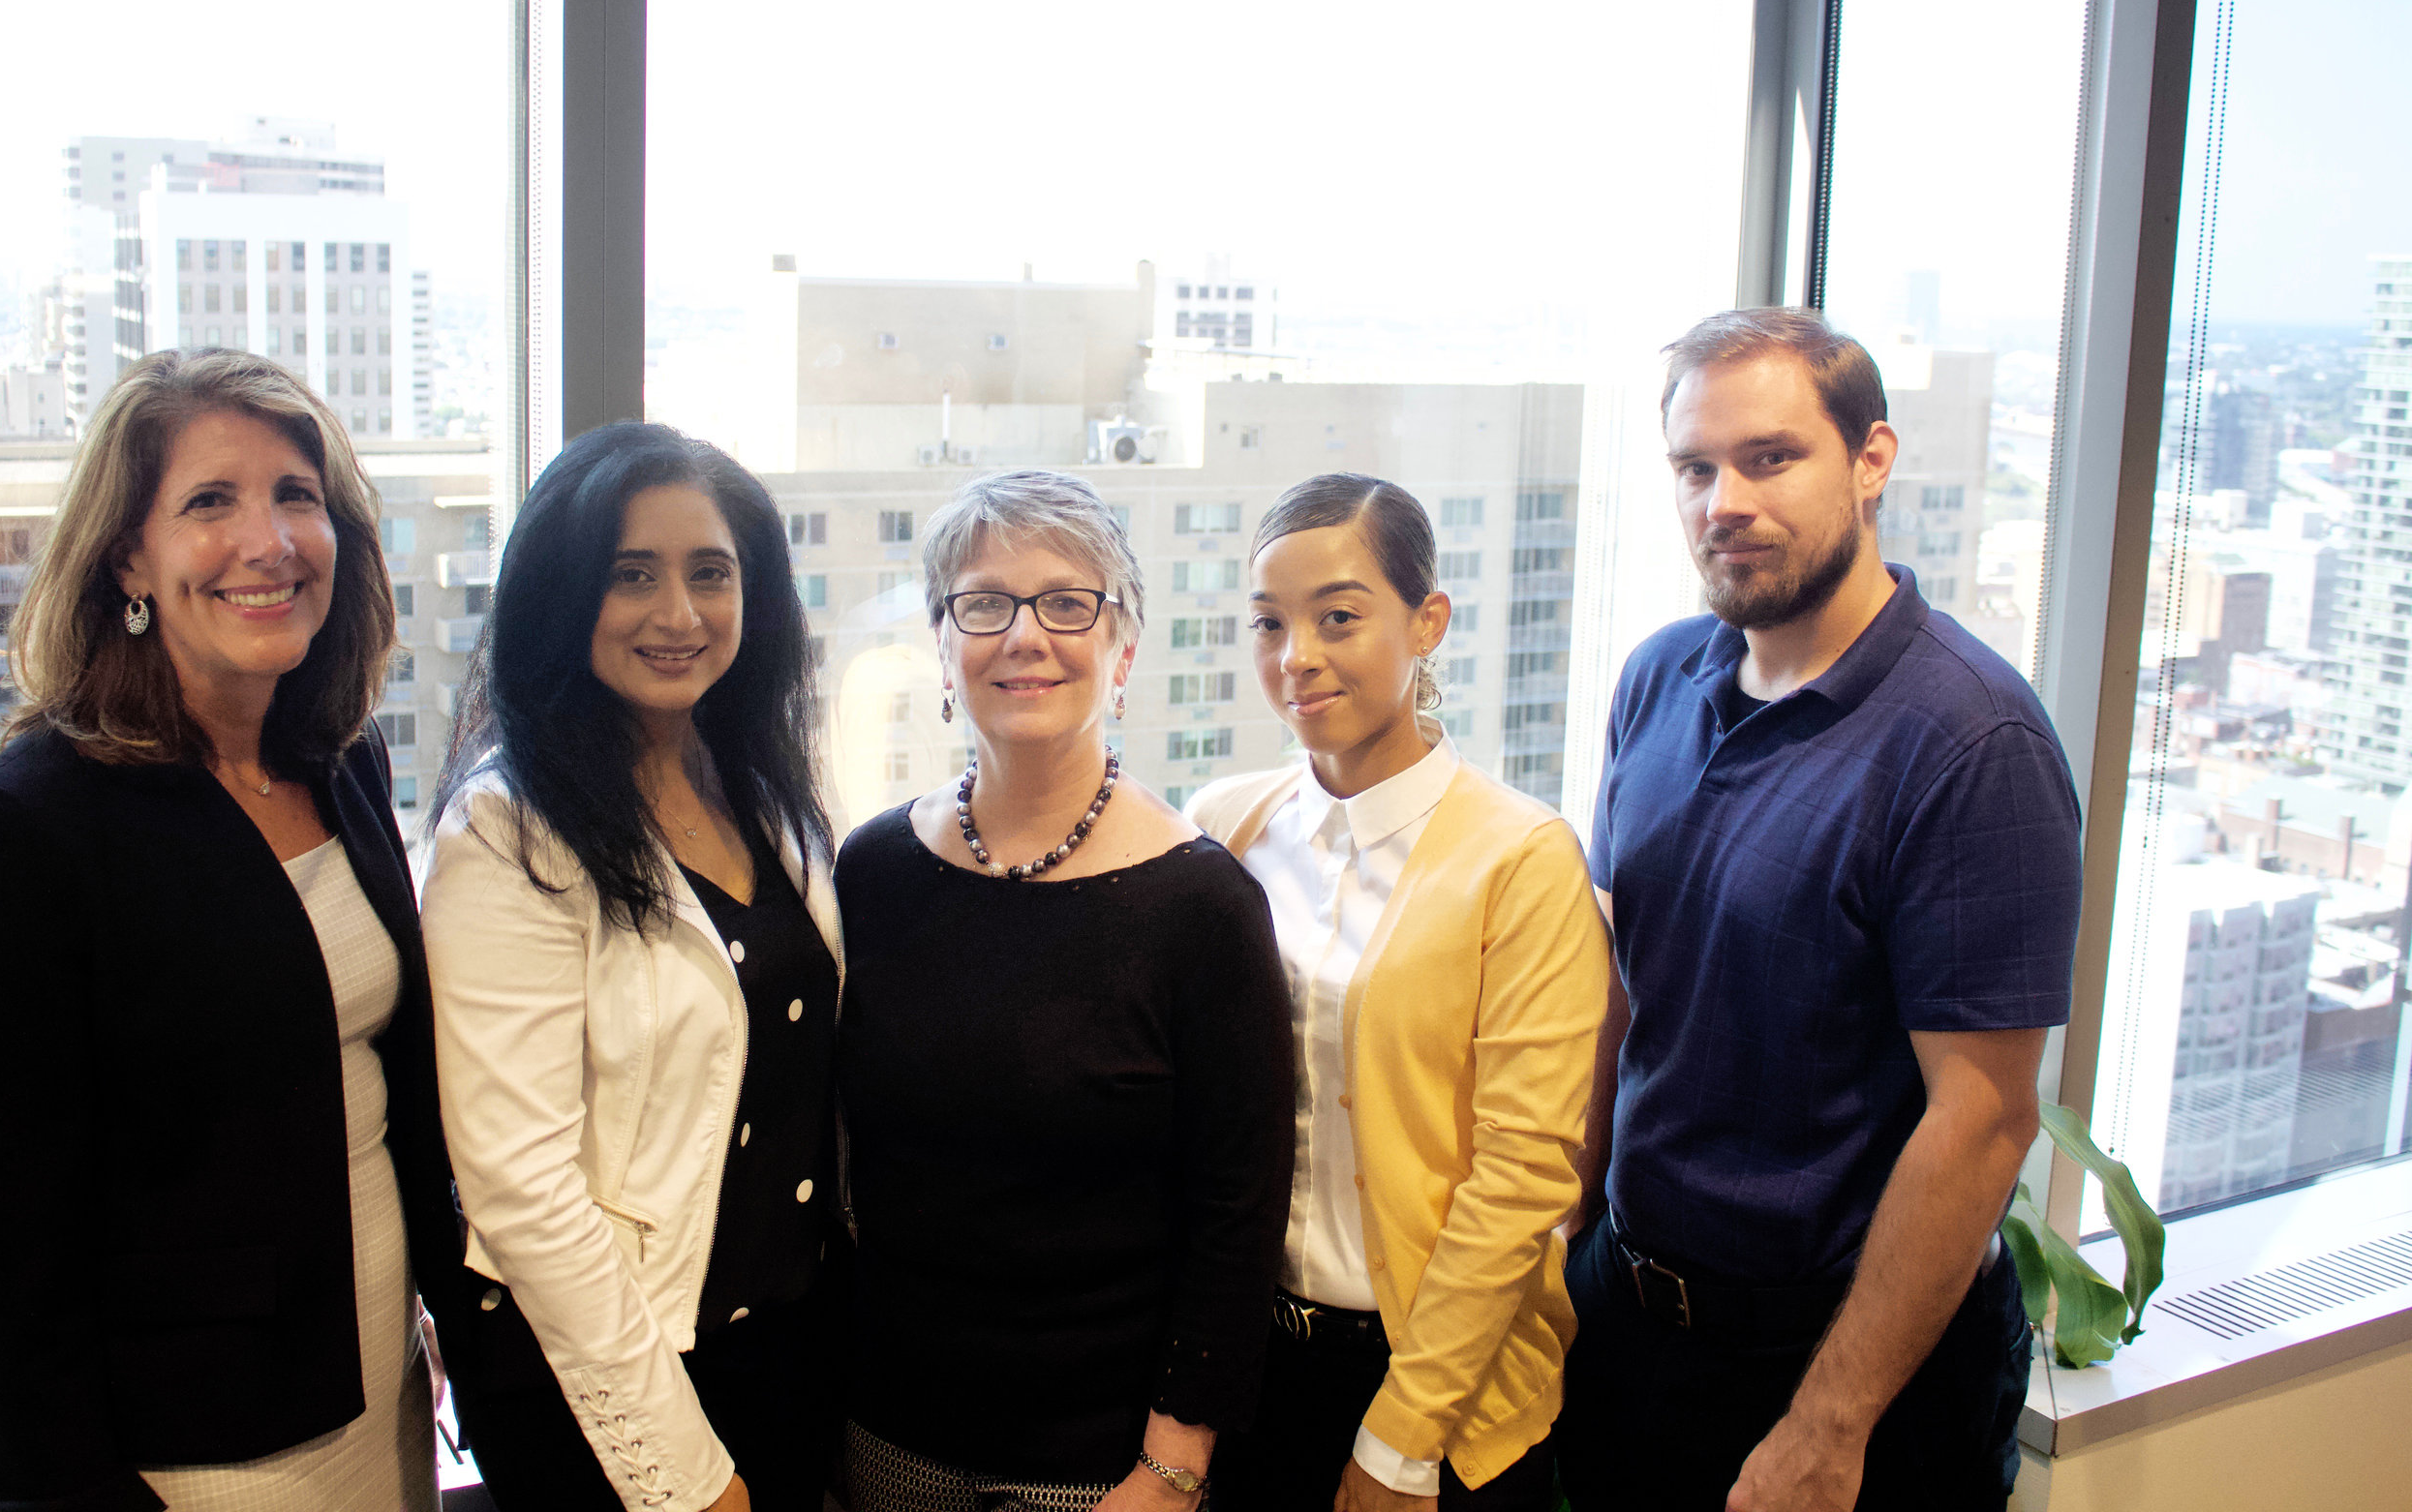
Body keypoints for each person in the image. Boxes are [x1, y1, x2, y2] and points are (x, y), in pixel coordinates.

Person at [0, 348, 463, 1512]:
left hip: (386, 1394)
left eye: (296, 496)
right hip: (202, 1459)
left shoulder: (336, 757)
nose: (270, 542)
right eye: (211, 501)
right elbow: (4, 1266)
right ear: (128, 555)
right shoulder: (15, 833)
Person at [1553, 308, 2083, 1512]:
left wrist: (1828, 1425)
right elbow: (1627, 988)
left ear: (1872, 460)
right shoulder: (1659, 678)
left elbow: (1983, 1118)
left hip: (1843, 1374)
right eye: (1697, 468)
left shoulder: (1972, 742)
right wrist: (1565, 1246)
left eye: (1770, 458)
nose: (1723, 501)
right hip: (1636, 1320)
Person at [834, 468, 1295, 1512]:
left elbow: (1240, 1208)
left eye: (1067, 602)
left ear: (1121, 647)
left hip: (1106, 1465)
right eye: (984, 602)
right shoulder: (869, 873)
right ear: (945, 645)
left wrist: (1173, 1464)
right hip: (885, 1434)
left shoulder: (1203, 905)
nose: (1025, 635)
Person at [420, 422, 842, 1512]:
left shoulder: (749, 779)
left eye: (712, 574)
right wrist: (682, 1476)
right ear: (564, 597)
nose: (680, 614)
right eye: (631, 576)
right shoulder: (507, 832)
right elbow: (522, 1191)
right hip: (615, 1374)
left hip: (783, 1345)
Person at [1189, 474, 1610, 1512]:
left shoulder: (1520, 856)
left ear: (1428, 621)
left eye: (1339, 617)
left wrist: (1400, 1439)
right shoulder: (1222, 826)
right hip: (1251, 1366)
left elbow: (1524, 1175)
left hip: (1439, 1380)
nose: (1298, 658)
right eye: (1269, 623)